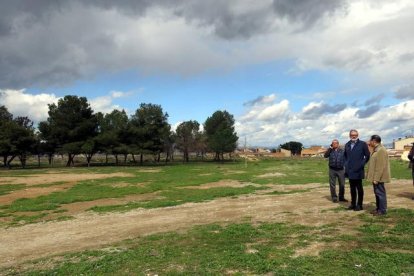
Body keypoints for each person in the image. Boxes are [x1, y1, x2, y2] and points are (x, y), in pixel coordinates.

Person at [344, 129, 370, 211]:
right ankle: (353, 204)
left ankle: (359, 205)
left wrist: (362, 164)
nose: (353, 136)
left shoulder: (362, 144)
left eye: (355, 135)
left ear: (357, 135)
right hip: (350, 170)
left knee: (359, 188)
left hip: (358, 170)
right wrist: (346, 164)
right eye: (352, 135)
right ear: (349, 135)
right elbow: (345, 156)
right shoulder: (347, 144)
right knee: (352, 188)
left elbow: (367, 155)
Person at [366, 135, 390, 215]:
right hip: (376, 177)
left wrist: (376, 178)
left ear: (374, 141)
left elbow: (380, 166)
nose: (369, 142)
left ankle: (382, 210)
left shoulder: (381, 150)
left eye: (370, 140)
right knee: (377, 193)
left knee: (380, 193)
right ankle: (378, 208)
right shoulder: (376, 149)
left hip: (379, 177)